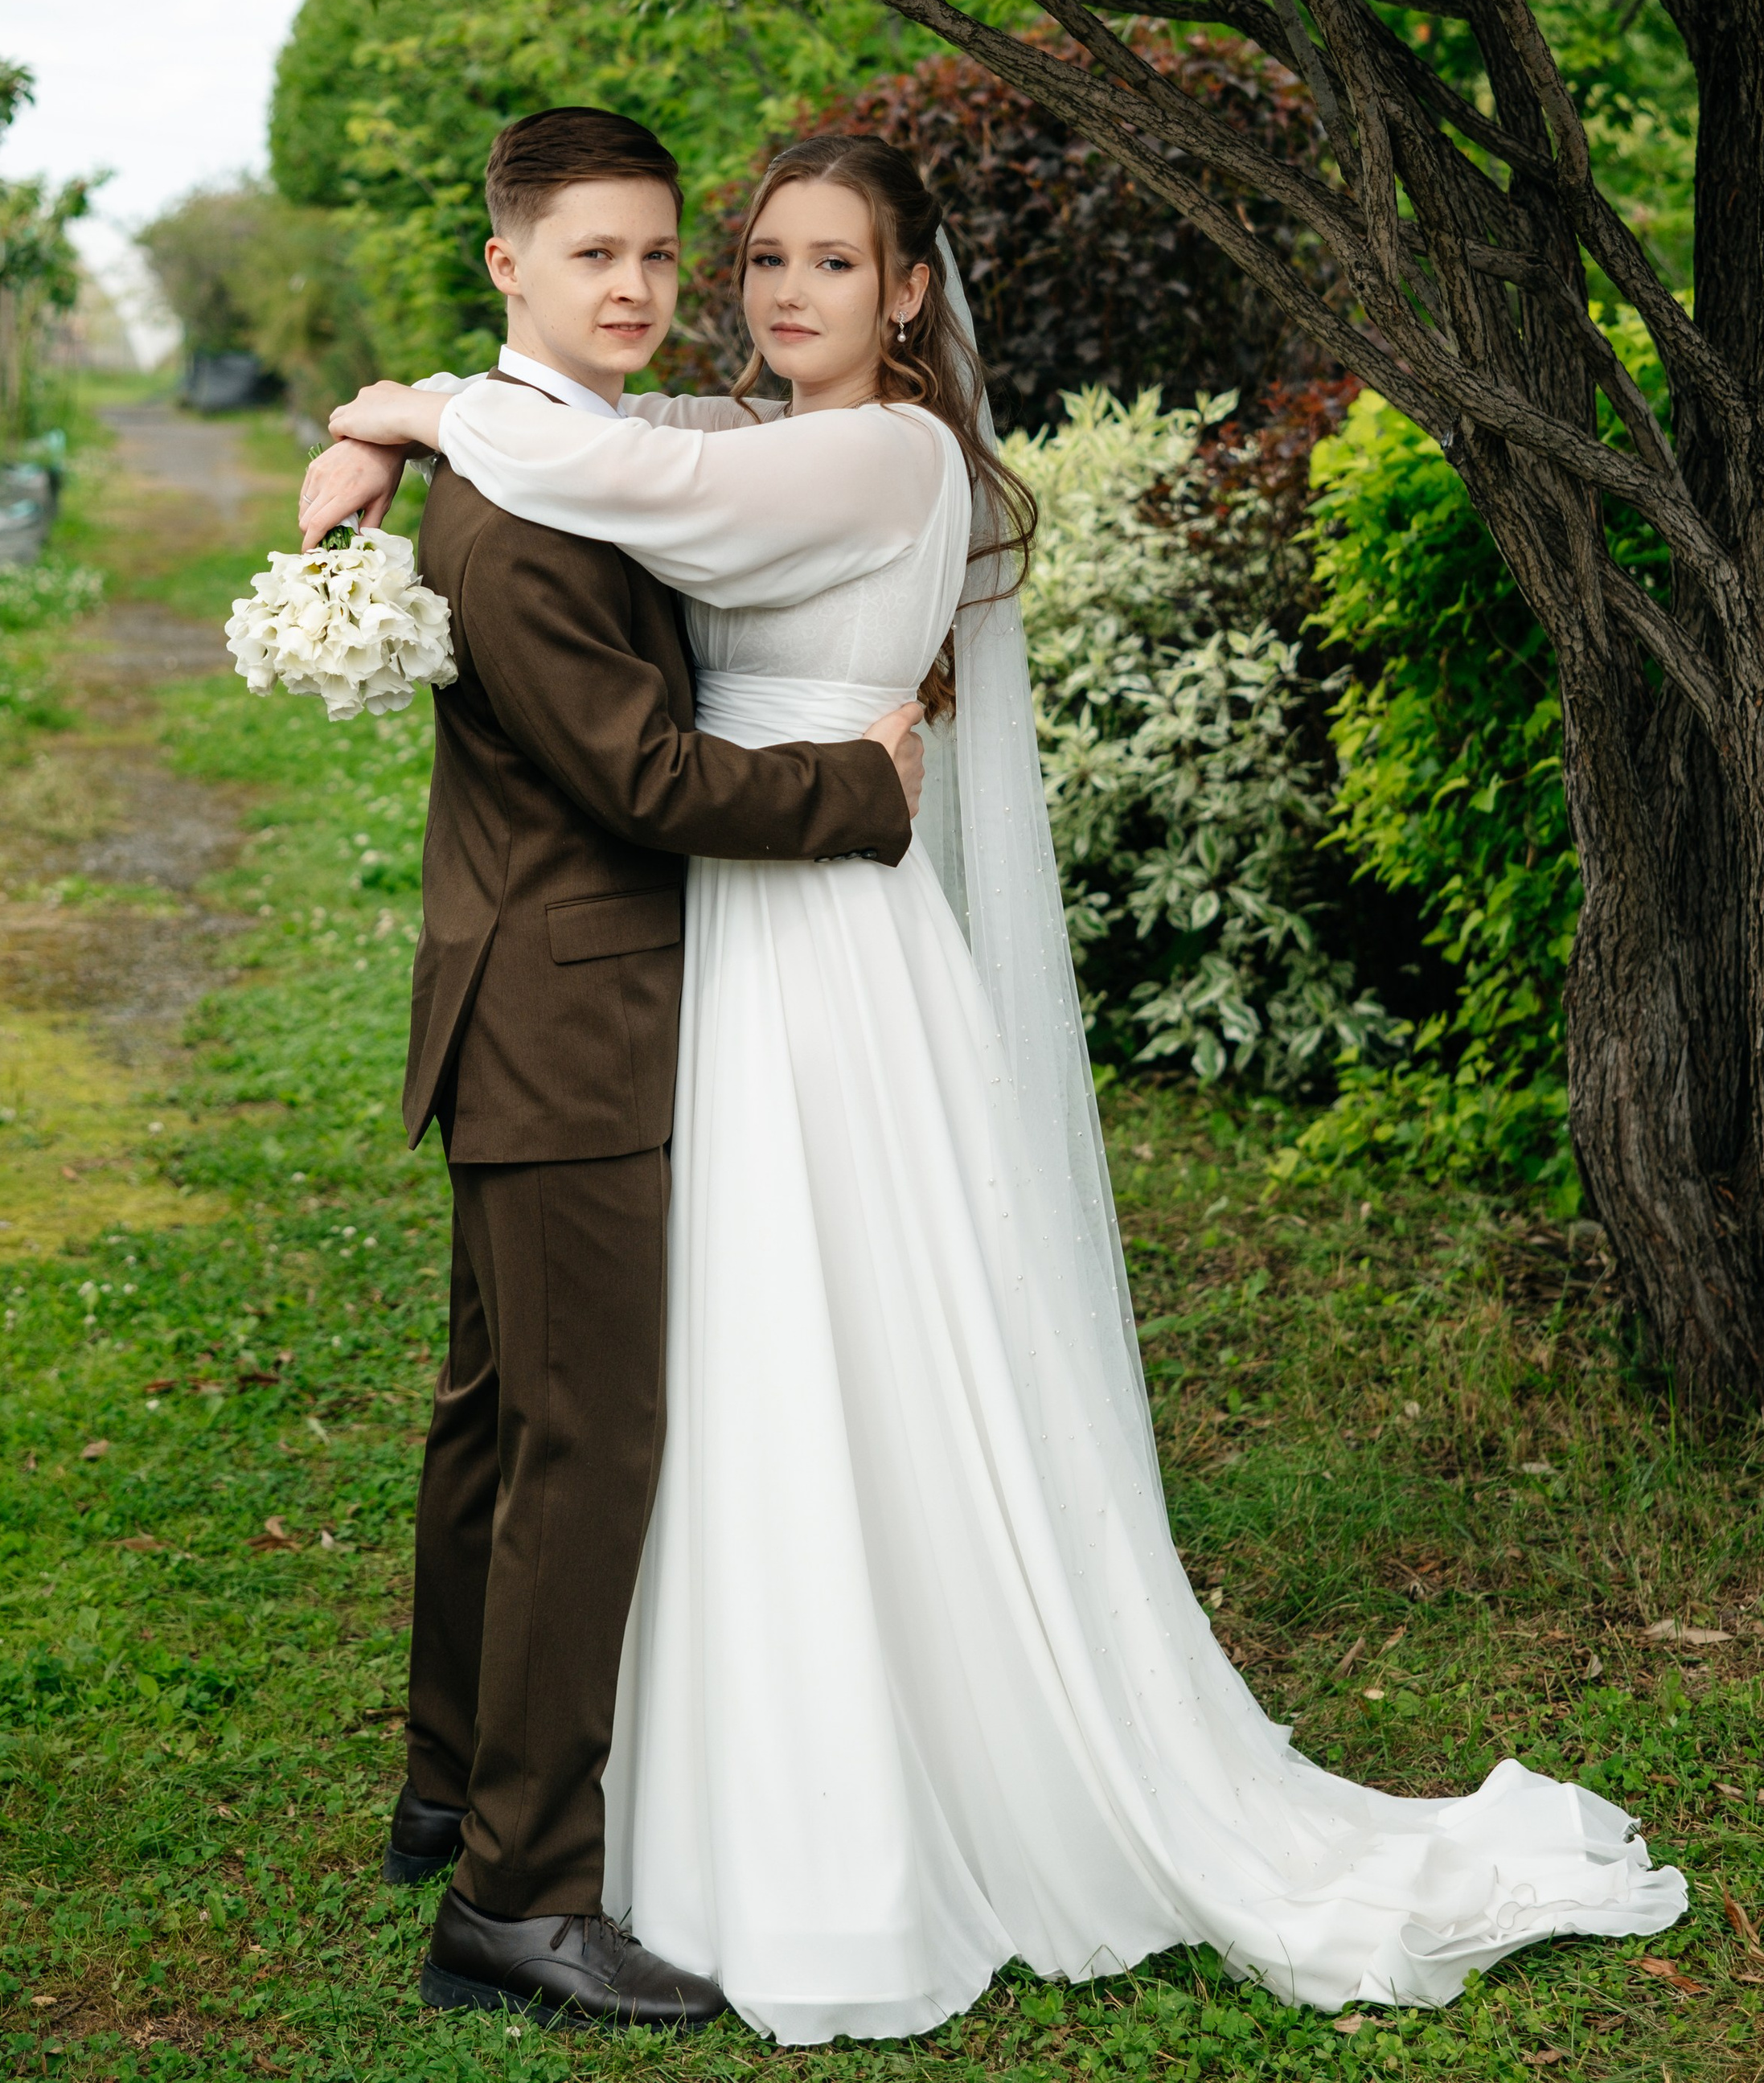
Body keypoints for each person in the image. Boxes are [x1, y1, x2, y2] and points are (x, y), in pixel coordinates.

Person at [302, 130, 1687, 2047]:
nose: (768, 291)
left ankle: (562, 1814)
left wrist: (403, 418)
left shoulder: (872, 453)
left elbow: (625, 471)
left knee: (762, 1371)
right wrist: (392, 423)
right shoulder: (691, 444)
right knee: (603, 1406)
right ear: (522, 264)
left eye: (821, 262)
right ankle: (487, 1823)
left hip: (803, 940)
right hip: (687, 956)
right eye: (760, 259)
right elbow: (632, 464)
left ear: (909, 292)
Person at [367, 109, 927, 2032]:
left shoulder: (553, 460)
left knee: (497, 1417)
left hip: (530, 1004)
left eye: (655, 254)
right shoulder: (524, 512)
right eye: (591, 253)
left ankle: (449, 1781)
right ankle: (519, 1894)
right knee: (582, 1444)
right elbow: (640, 778)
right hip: (576, 1023)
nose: (634, 288)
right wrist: (857, 787)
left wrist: (383, 424)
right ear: (507, 263)